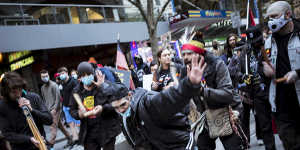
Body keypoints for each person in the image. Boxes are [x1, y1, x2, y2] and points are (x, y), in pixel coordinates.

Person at [106, 54, 207, 150]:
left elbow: (167, 99)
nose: (121, 110)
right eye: (116, 107)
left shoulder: (147, 102)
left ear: (129, 96)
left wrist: (187, 86)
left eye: (123, 105)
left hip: (181, 144)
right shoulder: (126, 117)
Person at [180, 40, 243, 150]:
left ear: (199, 54)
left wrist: (202, 91)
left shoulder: (217, 64)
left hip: (225, 114)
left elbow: (228, 94)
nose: (185, 57)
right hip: (202, 118)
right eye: (183, 54)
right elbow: (182, 97)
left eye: (189, 54)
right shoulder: (185, 70)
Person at [228, 26, 276, 150]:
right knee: (264, 124)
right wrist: (243, 77)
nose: (254, 44)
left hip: (274, 88)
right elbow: (236, 71)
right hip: (256, 93)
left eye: (256, 41)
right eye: (251, 42)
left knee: (283, 121)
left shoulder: (270, 46)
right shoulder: (245, 52)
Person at [263, 1, 300, 149]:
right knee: (291, 145)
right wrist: (265, 71)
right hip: (281, 106)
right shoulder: (268, 42)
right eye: (269, 18)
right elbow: (262, 67)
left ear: (288, 15)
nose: (271, 21)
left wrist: (297, 73)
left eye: (274, 16)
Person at [69, 62, 121, 150]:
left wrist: (103, 108)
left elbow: (116, 103)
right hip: (89, 132)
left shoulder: (103, 85)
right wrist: (79, 114)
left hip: (107, 128)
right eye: (83, 76)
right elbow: (72, 110)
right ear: (80, 78)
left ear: (93, 74)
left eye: (89, 74)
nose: (87, 77)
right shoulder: (76, 91)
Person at [0, 72, 52, 150]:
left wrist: (32, 110)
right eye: (14, 92)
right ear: (6, 92)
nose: (18, 95)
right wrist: (29, 139)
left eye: (20, 90)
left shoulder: (33, 97)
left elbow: (49, 120)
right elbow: (7, 134)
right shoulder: (3, 106)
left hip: (42, 145)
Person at [40, 69, 72, 149]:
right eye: (43, 77)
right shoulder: (42, 88)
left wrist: (54, 109)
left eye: (46, 76)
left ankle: (50, 145)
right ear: (41, 77)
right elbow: (44, 100)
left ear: (49, 75)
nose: (45, 78)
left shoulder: (54, 85)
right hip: (48, 110)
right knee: (60, 126)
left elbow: (58, 98)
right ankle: (70, 138)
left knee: (53, 127)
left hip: (56, 109)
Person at [57, 67, 80, 145]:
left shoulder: (73, 81)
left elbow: (78, 93)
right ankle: (76, 138)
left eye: (63, 73)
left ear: (67, 73)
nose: (62, 75)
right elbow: (62, 96)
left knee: (78, 123)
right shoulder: (62, 83)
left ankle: (82, 136)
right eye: (60, 74)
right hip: (65, 106)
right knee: (70, 123)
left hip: (73, 106)